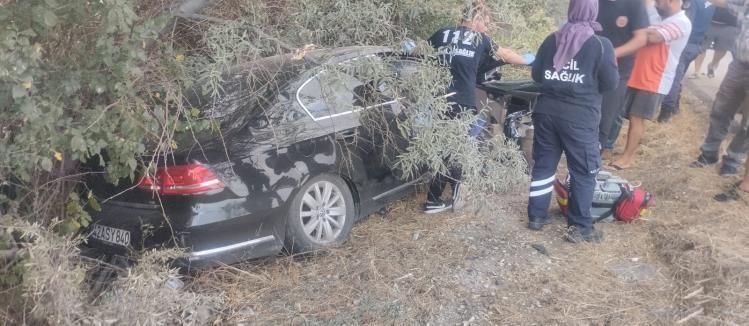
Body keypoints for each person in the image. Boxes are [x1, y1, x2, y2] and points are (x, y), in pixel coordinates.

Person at [424, 1, 531, 214]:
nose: (486, 27)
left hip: (437, 102)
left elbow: (421, 53)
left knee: (447, 148)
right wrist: (529, 61)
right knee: (457, 151)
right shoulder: (479, 38)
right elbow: (506, 54)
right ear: (476, 19)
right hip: (462, 103)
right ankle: (435, 199)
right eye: (486, 22)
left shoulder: (441, 33)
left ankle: (448, 195)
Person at [527, 0, 619, 243]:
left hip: (546, 112)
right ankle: (579, 227)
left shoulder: (552, 39)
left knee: (544, 165)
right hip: (580, 118)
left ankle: (536, 216)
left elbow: (537, 75)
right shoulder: (601, 45)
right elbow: (611, 83)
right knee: (584, 171)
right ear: (593, 11)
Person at [608, 0, 692, 170]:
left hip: (655, 78)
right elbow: (641, 29)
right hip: (636, 73)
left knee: (636, 118)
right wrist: (641, 29)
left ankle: (627, 158)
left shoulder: (682, 22)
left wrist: (639, 30)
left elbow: (652, 37)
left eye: (660, 1)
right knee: (617, 111)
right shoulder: (660, 16)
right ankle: (608, 149)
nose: (657, 3)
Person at [691, 0, 749, 176]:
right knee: (721, 108)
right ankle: (709, 152)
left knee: (747, 123)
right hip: (739, 64)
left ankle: (732, 161)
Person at [596, 0, 651, 162]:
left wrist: (611, 53)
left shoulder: (635, 4)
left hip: (618, 71)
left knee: (605, 117)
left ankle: (593, 160)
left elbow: (641, 39)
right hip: (589, 67)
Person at [658, 0, 716, 122]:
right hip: (696, 44)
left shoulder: (694, 3)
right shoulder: (710, 4)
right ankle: (674, 107)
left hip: (687, 42)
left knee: (674, 77)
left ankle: (666, 111)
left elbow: (686, 22)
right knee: (678, 77)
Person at [691, 6, 740, 78]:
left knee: (722, 48)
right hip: (709, 20)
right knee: (702, 46)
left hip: (730, 24)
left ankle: (713, 64)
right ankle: (696, 71)